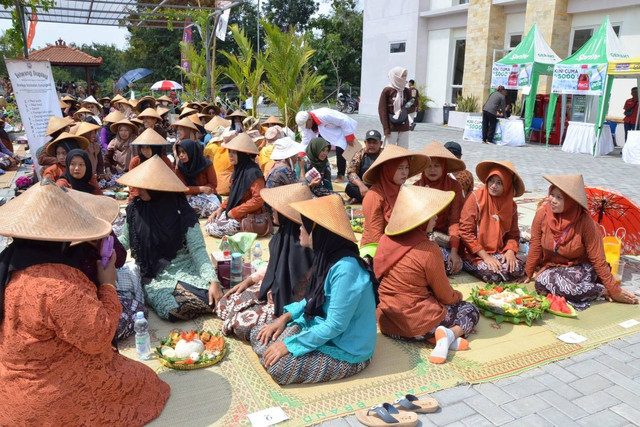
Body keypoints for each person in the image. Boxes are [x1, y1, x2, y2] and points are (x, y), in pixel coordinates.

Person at [0, 181, 170, 425]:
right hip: (48, 398)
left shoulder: (9, 264)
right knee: (145, 380)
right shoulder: (58, 284)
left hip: (10, 390)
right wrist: (107, 284)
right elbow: (98, 337)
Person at [250, 194, 377, 385]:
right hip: (320, 327)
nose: (300, 229)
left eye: (305, 225)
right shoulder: (325, 257)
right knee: (259, 334)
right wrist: (284, 319)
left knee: (278, 366)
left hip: (346, 346)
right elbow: (312, 299)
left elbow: (335, 325)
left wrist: (290, 344)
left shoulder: (347, 270)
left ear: (319, 231)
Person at [375, 186, 479, 363]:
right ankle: (449, 334)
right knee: (471, 310)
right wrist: (458, 297)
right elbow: (445, 295)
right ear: (420, 220)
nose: (436, 218)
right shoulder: (428, 249)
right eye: (432, 215)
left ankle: (438, 339)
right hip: (418, 325)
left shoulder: (386, 240)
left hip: (389, 323)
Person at [116, 155, 223, 320]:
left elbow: (197, 249)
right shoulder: (135, 208)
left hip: (183, 267)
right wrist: (109, 251)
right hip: (154, 275)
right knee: (170, 309)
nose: (138, 190)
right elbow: (125, 240)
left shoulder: (181, 210)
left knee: (212, 295)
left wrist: (212, 280)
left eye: (144, 186)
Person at [520, 175, 638, 309]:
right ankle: (589, 291)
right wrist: (528, 272)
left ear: (571, 201)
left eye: (559, 198)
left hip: (581, 268)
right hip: (555, 268)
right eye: (552, 195)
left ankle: (602, 290)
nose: (552, 200)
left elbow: (598, 260)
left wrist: (614, 290)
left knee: (563, 285)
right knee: (541, 283)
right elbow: (535, 244)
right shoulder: (542, 215)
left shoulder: (587, 224)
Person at [217, 184, 314, 340]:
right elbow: (273, 265)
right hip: (272, 291)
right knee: (226, 301)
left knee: (241, 325)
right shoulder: (282, 235)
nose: (272, 212)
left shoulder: (303, 244)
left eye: (276, 209)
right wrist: (248, 281)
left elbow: (306, 292)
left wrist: (284, 312)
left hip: (288, 305)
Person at [459, 160, 526, 283]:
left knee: (517, 268)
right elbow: (465, 232)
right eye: (491, 181)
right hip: (474, 254)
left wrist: (510, 251)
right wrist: (486, 257)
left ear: (507, 186)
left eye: (499, 183)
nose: (494, 186)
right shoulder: (475, 198)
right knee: (492, 275)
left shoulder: (511, 206)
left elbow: (513, 234)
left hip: (497, 252)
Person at [360, 144, 430, 246]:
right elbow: (376, 237)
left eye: (406, 168)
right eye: (400, 168)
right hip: (376, 248)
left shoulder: (403, 191)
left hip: (399, 242)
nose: (404, 172)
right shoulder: (373, 196)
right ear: (388, 170)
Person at [415, 142, 466, 275]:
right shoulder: (416, 187)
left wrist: (454, 252)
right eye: (429, 166)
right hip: (420, 238)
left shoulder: (454, 186)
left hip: (444, 238)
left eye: (437, 166)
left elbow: (455, 221)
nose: (432, 170)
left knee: (453, 265)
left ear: (444, 167)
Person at [206, 133, 266, 238]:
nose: (230, 155)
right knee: (210, 222)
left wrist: (235, 212)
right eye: (229, 152)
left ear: (242, 154)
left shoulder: (253, 172)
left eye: (234, 153)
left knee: (212, 227)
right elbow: (234, 194)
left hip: (249, 216)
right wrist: (220, 209)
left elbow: (258, 199)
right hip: (236, 213)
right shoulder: (238, 170)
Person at [295, 107, 358, 183]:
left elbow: (344, 121)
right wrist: (301, 155)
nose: (305, 127)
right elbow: (305, 142)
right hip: (326, 132)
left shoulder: (324, 114)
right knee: (319, 148)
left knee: (341, 150)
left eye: (305, 125)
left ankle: (341, 175)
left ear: (309, 119)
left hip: (341, 130)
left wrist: (349, 137)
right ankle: (322, 171)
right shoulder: (307, 126)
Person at [175, 138, 220, 218]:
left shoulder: (206, 164)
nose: (181, 155)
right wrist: (200, 189)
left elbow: (213, 185)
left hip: (206, 196)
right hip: (188, 197)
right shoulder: (180, 167)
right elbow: (182, 189)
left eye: (184, 152)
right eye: (179, 152)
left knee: (214, 207)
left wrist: (200, 191)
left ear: (191, 151)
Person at [128, 128, 173, 200]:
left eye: (148, 148)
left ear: (155, 148)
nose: (145, 151)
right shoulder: (135, 161)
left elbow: (170, 182)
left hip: (160, 194)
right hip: (140, 195)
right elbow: (132, 184)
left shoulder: (165, 161)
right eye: (143, 148)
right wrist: (139, 196)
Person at [378, 67, 416, 148]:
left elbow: (413, 104)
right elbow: (382, 111)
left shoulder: (406, 91)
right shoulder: (387, 90)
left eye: (405, 75)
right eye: (402, 76)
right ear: (395, 76)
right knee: (388, 151)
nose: (404, 78)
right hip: (391, 126)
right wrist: (386, 129)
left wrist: (404, 110)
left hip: (404, 125)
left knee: (403, 151)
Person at [345, 129, 384, 204]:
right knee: (349, 188)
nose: (371, 145)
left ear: (381, 143)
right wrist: (361, 185)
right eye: (369, 142)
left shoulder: (385, 154)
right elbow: (351, 172)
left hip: (380, 186)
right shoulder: (359, 154)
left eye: (375, 142)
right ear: (365, 143)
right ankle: (372, 199)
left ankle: (365, 198)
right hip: (364, 185)